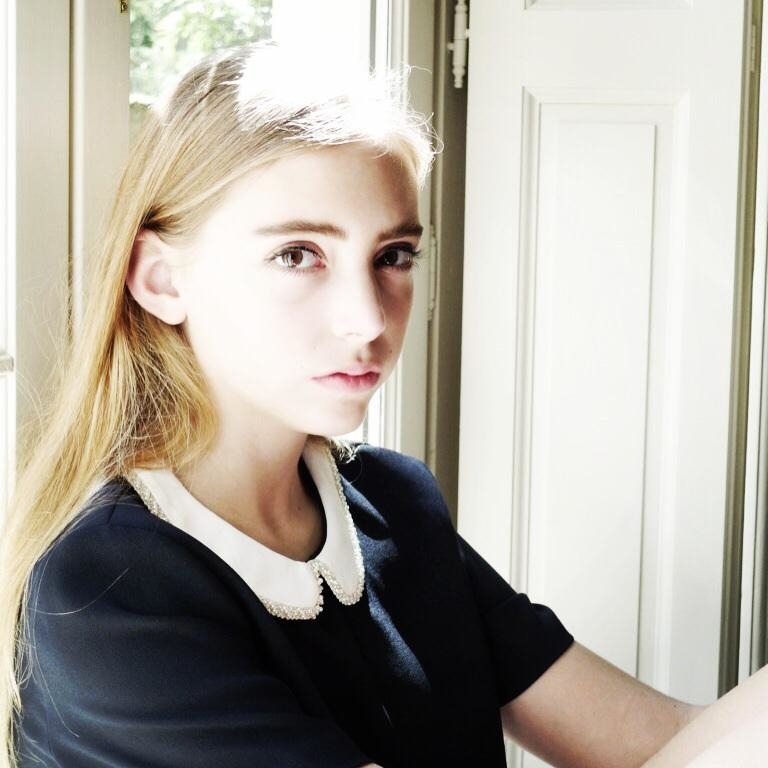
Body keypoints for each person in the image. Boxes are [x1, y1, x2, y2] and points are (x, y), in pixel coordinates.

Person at [0, 41, 702, 768]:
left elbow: (665, 745)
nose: (368, 318)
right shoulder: (106, 591)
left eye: (393, 255)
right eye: (297, 254)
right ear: (161, 280)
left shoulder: (396, 501)